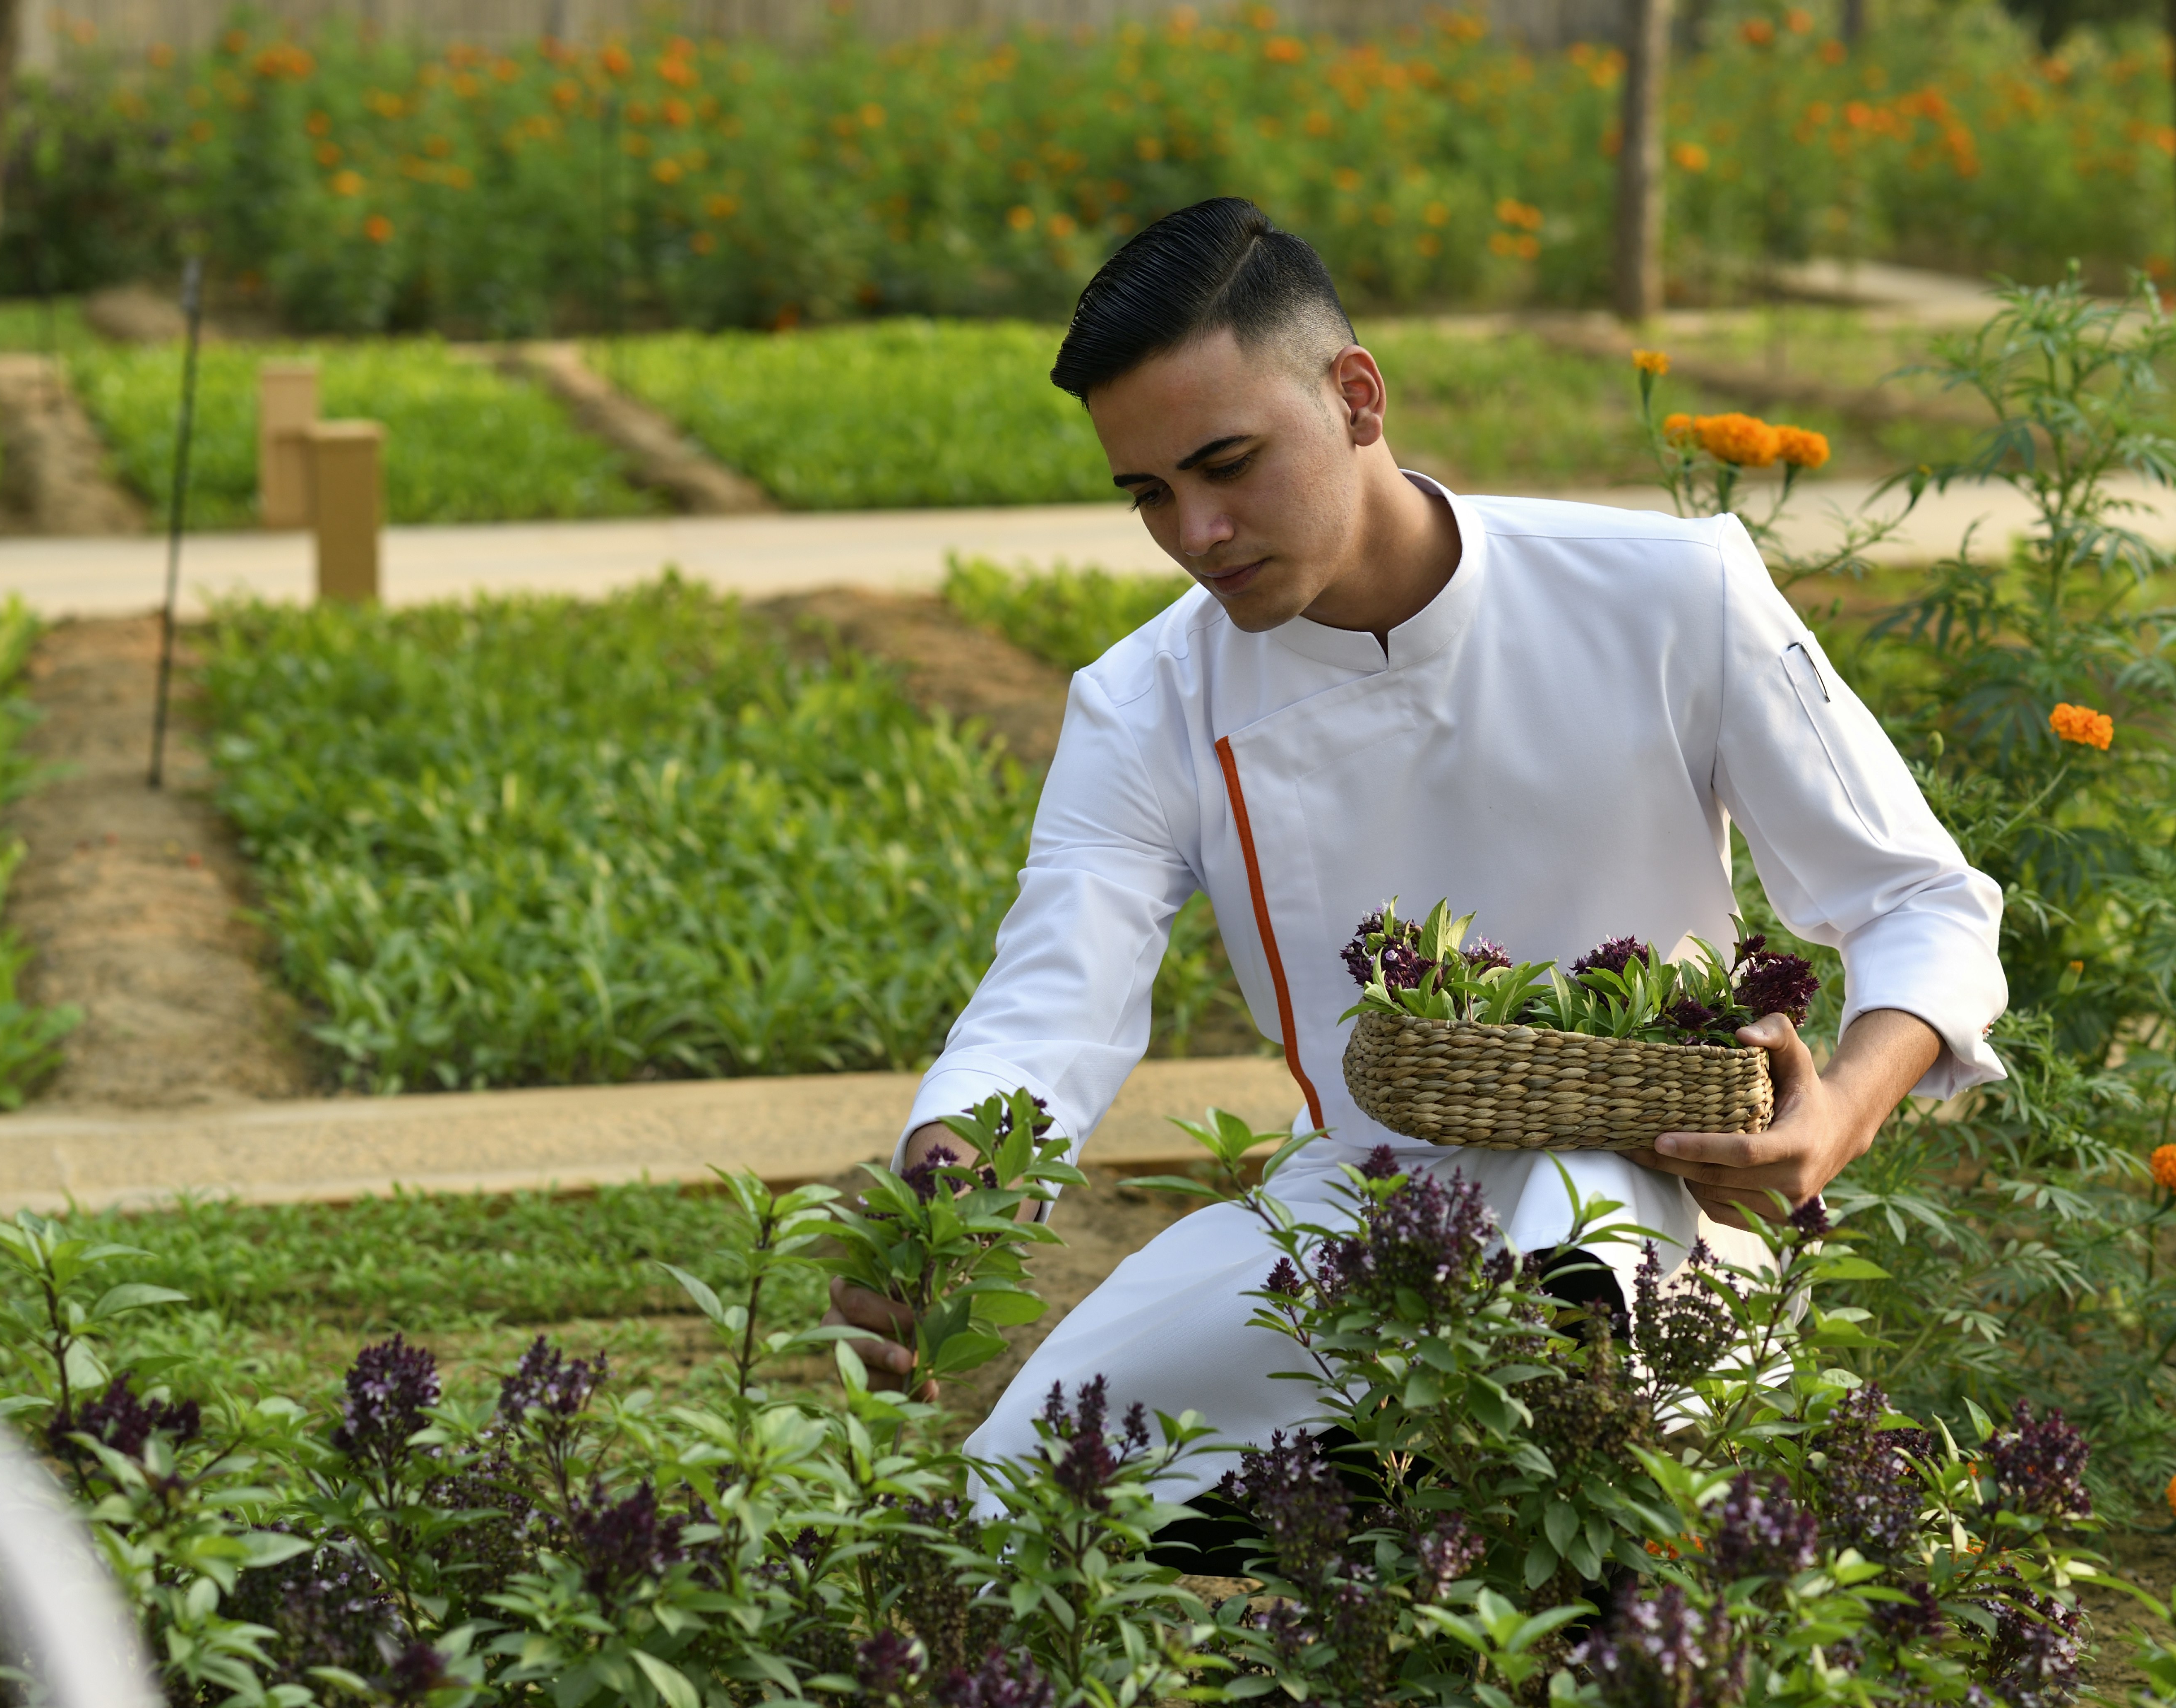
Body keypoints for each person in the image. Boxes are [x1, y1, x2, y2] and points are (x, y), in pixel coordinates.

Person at [822, 197, 2006, 1505]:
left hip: (1654, 1213)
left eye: (1229, 464)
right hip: (1362, 1216)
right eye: (1151, 493)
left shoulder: (1669, 590)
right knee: (1023, 1493)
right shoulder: (1148, 701)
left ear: (1358, 397)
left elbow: (1919, 899)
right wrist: (942, 1199)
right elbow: (1052, 1006)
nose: (1196, 533)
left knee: (1569, 1289)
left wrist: (1838, 1115)